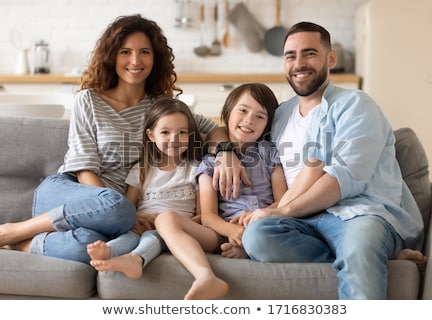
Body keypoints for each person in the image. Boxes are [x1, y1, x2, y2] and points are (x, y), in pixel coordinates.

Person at [212, 22, 427, 299]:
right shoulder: (279, 115)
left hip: (356, 213)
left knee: (359, 245)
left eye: (309, 53)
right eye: (291, 56)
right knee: (257, 237)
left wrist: (282, 211)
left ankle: (366, 252)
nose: (299, 63)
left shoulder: (356, 105)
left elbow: (344, 179)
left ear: (331, 58)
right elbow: (228, 126)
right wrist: (225, 150)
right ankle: (380, 255)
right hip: (303, 222)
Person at [0, 14, 217, 264]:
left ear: (155, 58)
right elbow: (84, 169)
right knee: (119, 208)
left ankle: (22, 245)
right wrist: (124, 211)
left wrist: (224, 153)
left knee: (91, 247)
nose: (135, 61)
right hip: (69, 193)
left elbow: (214, 129)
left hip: (111, 215)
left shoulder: (161, 108)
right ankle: (14, 230)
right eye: (125, 52)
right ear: (112, 55)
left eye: (144, 52)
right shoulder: (88, 100)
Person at [154, 83, 287, 300]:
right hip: (221, 232)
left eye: (260, 116)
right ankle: (206, 276)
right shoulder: (208, 164)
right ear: (227, 113)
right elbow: (208, 216)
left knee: (268, 228)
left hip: (265, 222)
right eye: (243, 110)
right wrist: (231, 231)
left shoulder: (269, 153)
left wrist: (257, 218)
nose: (249, 120)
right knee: (165, 219)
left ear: (268, 125)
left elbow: (283, 202)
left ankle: (247, 247)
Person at [87, 97, 203, 279]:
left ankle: (136, 259)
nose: (174, 139)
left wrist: (174, 226)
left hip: (176, 231)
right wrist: (140, 219)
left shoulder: (195, 169)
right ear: (151, 135)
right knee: (129, 237)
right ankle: (109, 252)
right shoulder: (141, 169)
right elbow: (128, 207)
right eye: (165, 132)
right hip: (142, 226)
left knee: (154, 237)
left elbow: (202, 216)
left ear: (190, 136)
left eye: (182, 132)